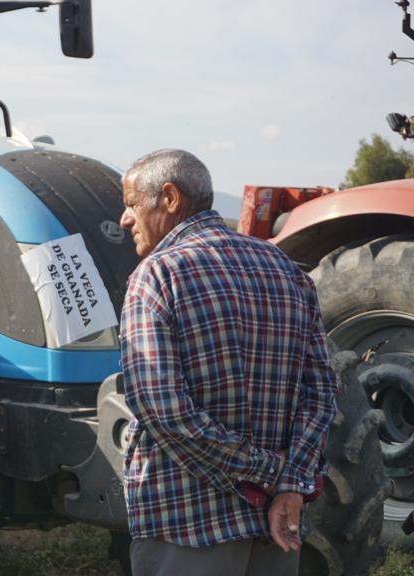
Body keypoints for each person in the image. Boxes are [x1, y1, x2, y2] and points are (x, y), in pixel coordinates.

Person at [117, 149, 336, 576]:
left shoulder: (156, 275)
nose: (125, 219)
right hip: (276, 525)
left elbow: (163, 411)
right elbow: (322, 393)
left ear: (169, 197)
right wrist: (290, 481)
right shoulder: (286, 269)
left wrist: (267, 472)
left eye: (130, 203)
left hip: (188, 529)